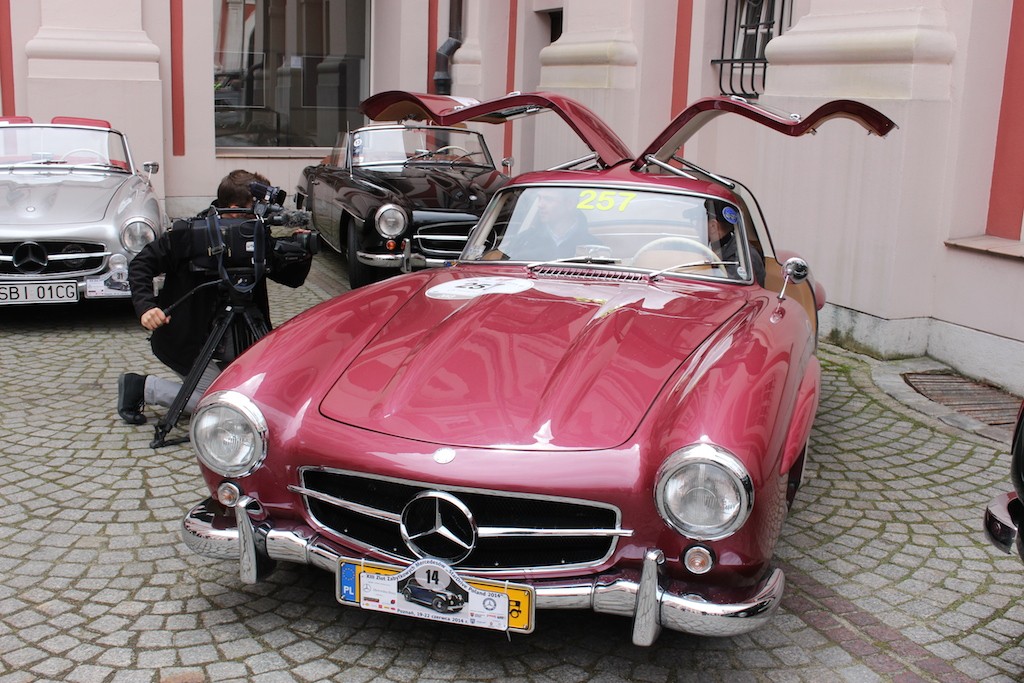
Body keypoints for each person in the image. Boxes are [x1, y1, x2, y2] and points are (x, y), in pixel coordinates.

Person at [117, 169, 313, 425]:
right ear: (234, 209)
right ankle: (142, 387)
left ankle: (220, 380)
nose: (264, 216)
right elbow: (141, 264)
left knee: (258, 394)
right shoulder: (191, 234)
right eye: (257, 208)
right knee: (220, 400)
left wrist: (304, 249)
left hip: (237, 338)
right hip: (189, 342)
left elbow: (291, 278)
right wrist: (146, 307)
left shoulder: (254, 232)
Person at [499, 188, 597, 261]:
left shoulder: (592, 246)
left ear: (570, 204)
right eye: (539, 198)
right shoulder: (524, 240)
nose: (540, 205)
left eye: (548, 199)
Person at [707, 200, 766, 286]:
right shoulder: (716, 247)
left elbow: (726, 290)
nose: (696, 227)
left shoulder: (744, 257)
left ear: (713, 226)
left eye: (698, 222)